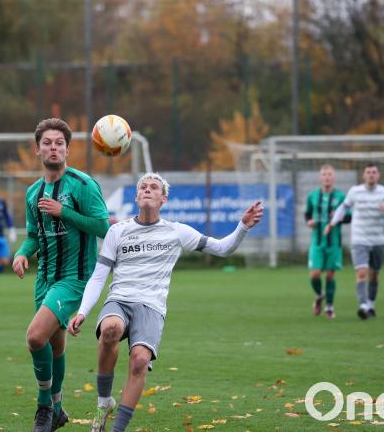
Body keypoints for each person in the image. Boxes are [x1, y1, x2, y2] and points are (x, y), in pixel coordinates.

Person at [68, 173, 263, 432]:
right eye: (143, 187)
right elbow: (99, 275)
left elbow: (223, 248)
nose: (148, 190)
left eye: (154, 188)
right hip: (120, 300)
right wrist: (82, 312)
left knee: (139, 361)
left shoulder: (177, 231)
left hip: (151, 307)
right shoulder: (118, 231)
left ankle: (117, 430)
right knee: (110, 329)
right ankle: (104, 402)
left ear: (163, 199)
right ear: (136, 197)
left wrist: (243, 226)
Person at [12, 118, 110, 432]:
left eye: (59, 143)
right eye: (47, 143)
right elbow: (32, 235)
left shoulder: (82, 185)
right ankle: (58, 410)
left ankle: (44, 407)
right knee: (54, 346)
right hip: (45, 279)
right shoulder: (32, 193)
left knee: (34, 336)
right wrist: (22, 253)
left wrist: (62, 211)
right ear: (38, 149)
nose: (53, 147)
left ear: (67, 148)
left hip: (76, 276)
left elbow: (102, 227)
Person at [326, 163, 384, 320]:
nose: (371, 175)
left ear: (378, 175)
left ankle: (371, 304)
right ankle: (363, 306)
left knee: (374, 275)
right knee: (361, 273)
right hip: (359, 239)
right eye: (368, 172)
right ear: (364, 175)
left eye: (374, 172)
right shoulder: (355, 191)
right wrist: (332, 223)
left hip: (378, 239)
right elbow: (343, 208)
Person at [304, 164, 349, 319]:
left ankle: (329, 307)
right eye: (324, 174)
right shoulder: (312, 196)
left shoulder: (341, 197)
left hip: (334, 242)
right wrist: (309, 221)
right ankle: (319, 296)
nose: (327, 177)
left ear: (334, 177)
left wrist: (340, 217)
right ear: (320, 177)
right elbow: (307, 214)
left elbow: (349, 216)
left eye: (329, 174)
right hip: (317, 242)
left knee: (330, 275)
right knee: (315, 274)